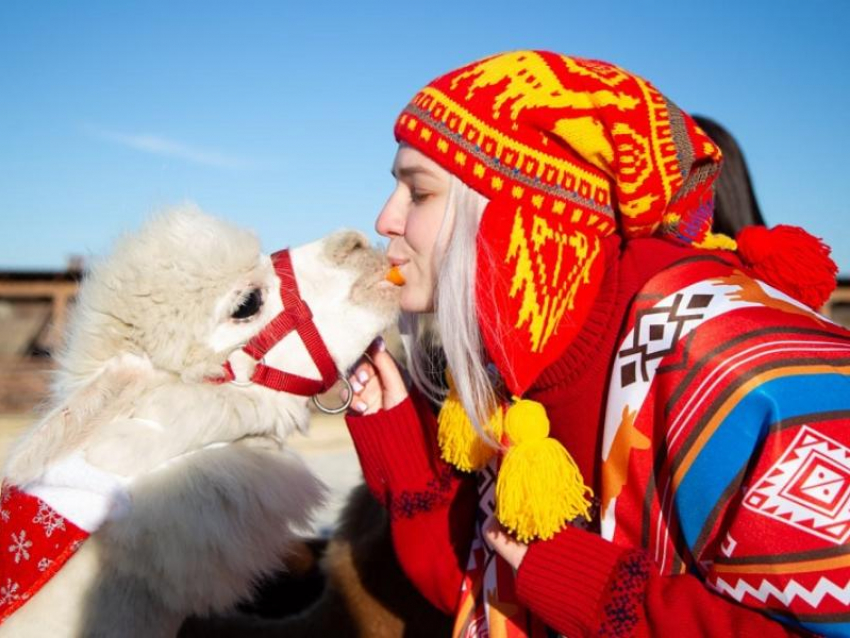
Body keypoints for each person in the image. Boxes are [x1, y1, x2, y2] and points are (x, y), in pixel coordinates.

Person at [344, 50, 847, 637]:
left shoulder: (737, 370)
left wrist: (602, 595)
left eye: (419, 192)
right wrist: (395, 432)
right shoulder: (526, 372)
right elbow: (483, 593)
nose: (385, 220)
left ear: (521, 213)